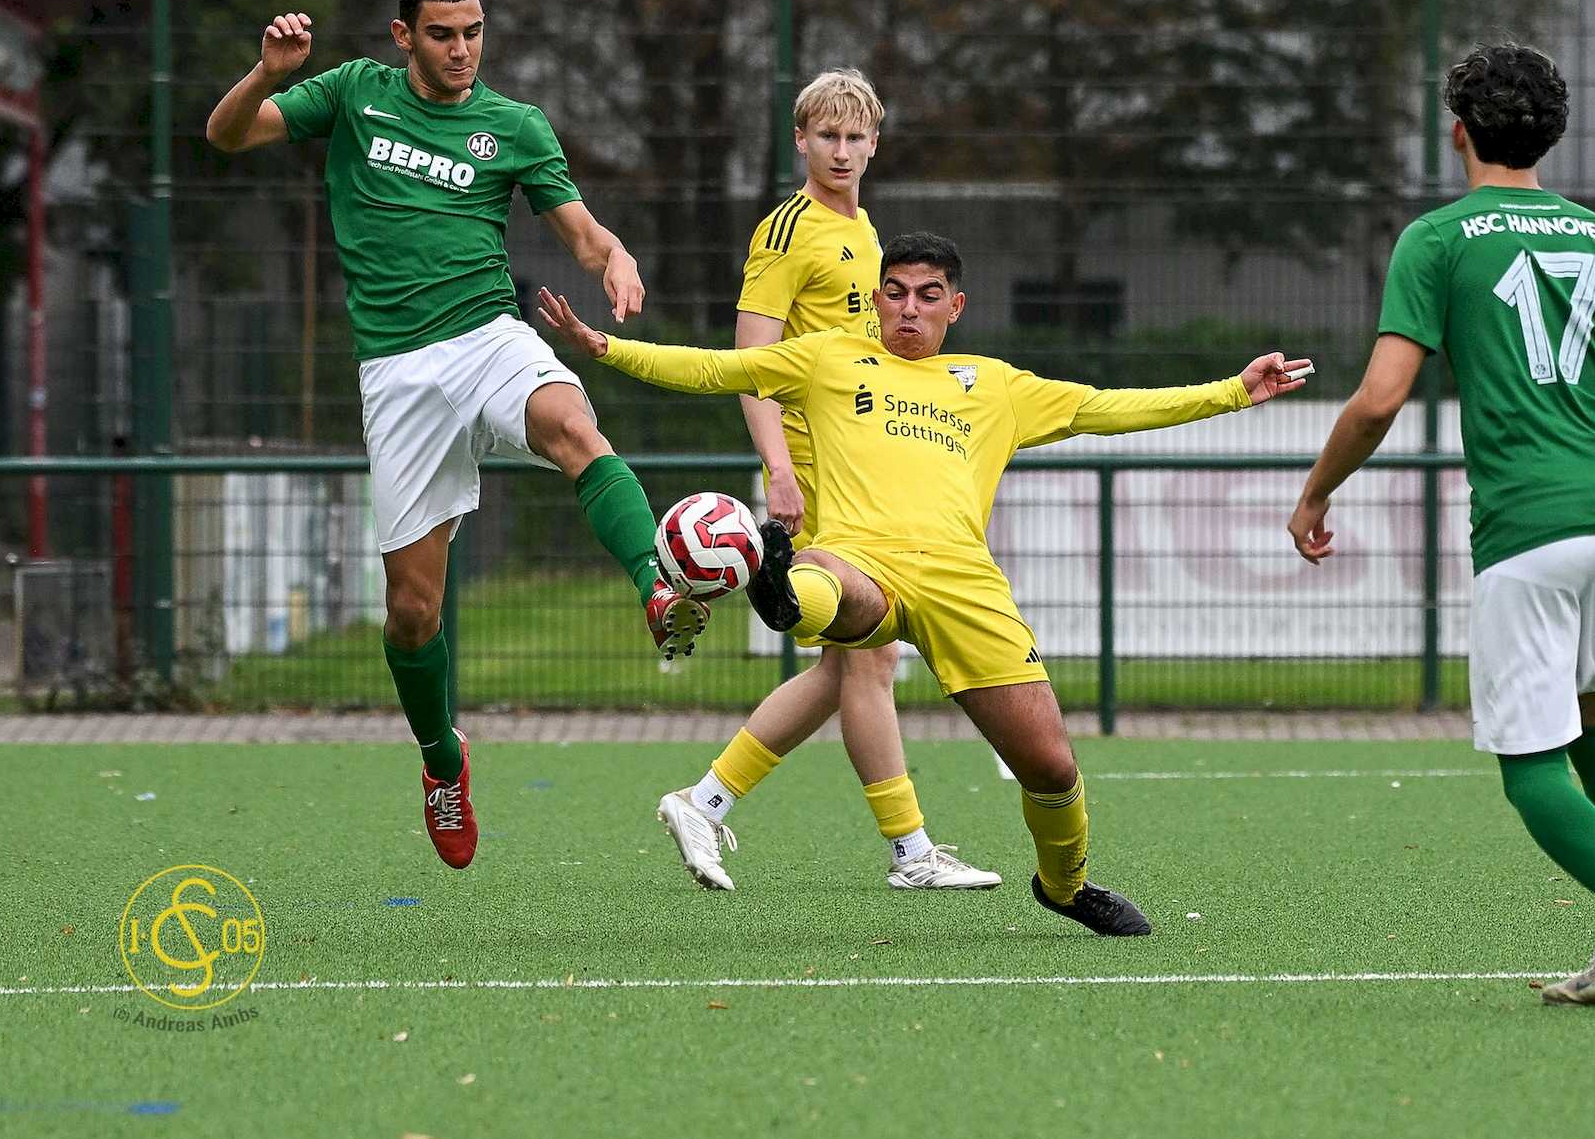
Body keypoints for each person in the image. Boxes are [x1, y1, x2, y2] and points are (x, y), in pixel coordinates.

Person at [540, 232, 1309, 933]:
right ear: (876, 299)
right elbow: (717, 368)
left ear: (956, 306)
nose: (910, 308)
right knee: (827, 588)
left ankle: (1067, 886)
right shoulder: (831, 358)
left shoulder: (996, 384)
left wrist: (1233, 390)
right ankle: (777, 589)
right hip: (858, 559)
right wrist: (604, 347)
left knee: (1051, 765)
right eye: (896, 292)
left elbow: (1107, 409)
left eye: (928, 294)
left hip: (963, 585)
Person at [204, 0, 708, 871]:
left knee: (574, 429)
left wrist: (614, 259)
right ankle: (443, 757)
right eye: (443, 32)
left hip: (488, 336)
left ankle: (656, 584)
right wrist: (266, 76)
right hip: (397, 374)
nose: (462, 48)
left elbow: (581, 229)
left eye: (474, 30)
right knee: (411, 612)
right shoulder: (354, 93)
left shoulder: (513, 125)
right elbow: (227, 134)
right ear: (404, 36)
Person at [1286, 42, 1595, 1012]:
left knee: (1529, 764)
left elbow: (1378, 402)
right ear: (1553, 134)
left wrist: (1317, 491)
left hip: (1527, 529)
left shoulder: (1439, 239)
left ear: (1456, 133)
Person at [653, 68, 997, 892]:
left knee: (848, 666)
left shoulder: (870, 233)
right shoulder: (786, 231)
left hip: (855, 471)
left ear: (874, 144)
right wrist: (778, 468)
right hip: (810, 472)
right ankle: (910, 853)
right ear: (800, 141)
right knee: (868, 661)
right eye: (826, 137)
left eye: (855, 139)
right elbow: (751, 362)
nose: (841, 152)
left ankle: (705, 801)